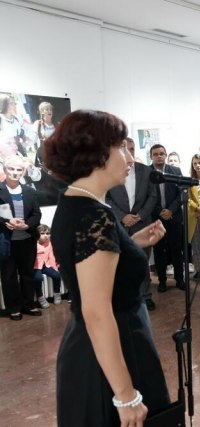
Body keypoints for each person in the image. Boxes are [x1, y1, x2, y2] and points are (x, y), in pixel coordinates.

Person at [45, 109, 170, 425]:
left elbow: (92, 262)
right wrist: (126, 395)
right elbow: (97, 312)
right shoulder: (93, 215)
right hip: (109, 352)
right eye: (121, 148)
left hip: (99, 345)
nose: (130, 157)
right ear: (97, 154)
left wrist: (129, 244)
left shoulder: (80, 203)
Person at [106, 138, 158, 311]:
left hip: (141, 223)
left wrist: (140, 215)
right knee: (120, 263)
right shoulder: (110, 172)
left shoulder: (146, 171)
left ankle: (145, 296)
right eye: (125, 149)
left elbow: (153, 196)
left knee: (142, 262)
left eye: (132, 149)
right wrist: (122, 217)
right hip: (120, 225)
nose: (130, 153)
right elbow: (106, 198)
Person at [0, 155, 42, 320]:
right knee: (9, 276)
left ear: (23, 171)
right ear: (5, 169)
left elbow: (36, 214)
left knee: (28, 274)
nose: (15, 172)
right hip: (6, 241)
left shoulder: (30, 191)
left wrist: (27, 225)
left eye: (19, 169)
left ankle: (28, 305)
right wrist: (6, 221)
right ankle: (14, 308)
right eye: (11, 169)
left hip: (27, 239)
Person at [150, 143, 186, 291]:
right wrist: (160, 211)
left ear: (165, 155)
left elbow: (182, 193)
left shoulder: (175, 171)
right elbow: (145, 196)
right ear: (151, 157)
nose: (159, 156)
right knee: (159, 250)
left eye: (161, 154)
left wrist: (171, 210)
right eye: (155, 154)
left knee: (176, 249)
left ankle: (180, 279)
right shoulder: (147, 173)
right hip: (155, 218)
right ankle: (162, 281)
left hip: (174, 217)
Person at [33, 224, 62, 308]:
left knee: (56, 275)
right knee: (38, 278)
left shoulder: (49, 243)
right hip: (35, 266)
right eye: (42, 233)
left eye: (47, 233)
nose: (45, 235)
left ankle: (57, 293)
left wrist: (55, 267)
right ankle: (40, 297)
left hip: (46, 265)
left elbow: (51, 256)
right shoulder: (34, 243)